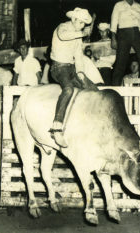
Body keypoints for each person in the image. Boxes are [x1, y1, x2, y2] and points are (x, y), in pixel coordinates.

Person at [49, 7, 97, 148]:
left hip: (71, 68)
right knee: (68, 89)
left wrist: (81, 72)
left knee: (93, 89)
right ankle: (56, 126)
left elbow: (78, 56)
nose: (82, 26)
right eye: (81, 22)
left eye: (84, 24)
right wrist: (81, 33)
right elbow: (64, 36)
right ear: (74, 19)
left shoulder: (77, 35)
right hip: (58, 67)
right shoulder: (62, 27)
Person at [110, 0, 140, 86]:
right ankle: (115, 88)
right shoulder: (118, 5)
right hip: (123, 33)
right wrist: (113, 38)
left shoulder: (138, 6)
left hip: (136, 33)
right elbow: (113, 23)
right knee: (121, 62)